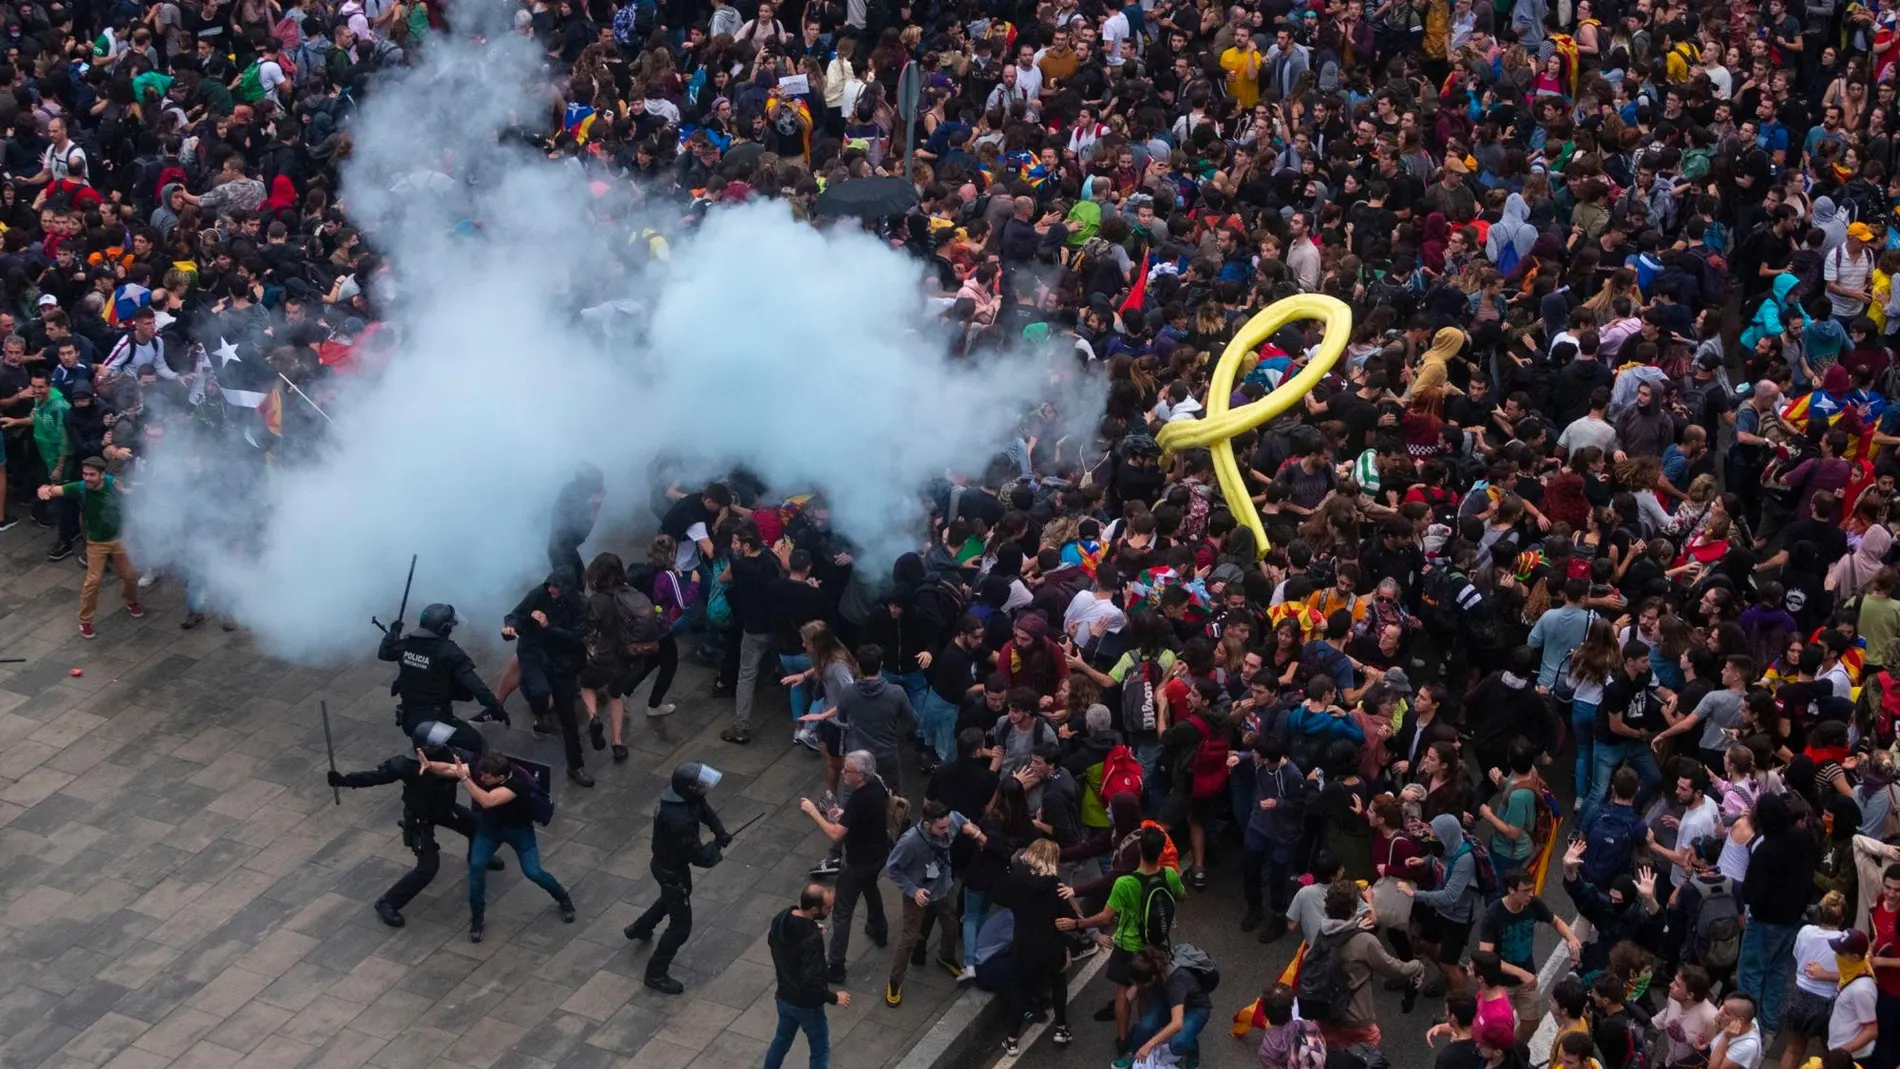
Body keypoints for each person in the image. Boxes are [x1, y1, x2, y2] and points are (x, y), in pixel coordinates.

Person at [328, 720, 506, 928]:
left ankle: (475, 856)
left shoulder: (450, 755)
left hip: (445, 808)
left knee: (478, 828)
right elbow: (376, 777)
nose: (444, 746)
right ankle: (388, 902)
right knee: (427, 868)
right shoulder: (405, 765)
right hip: (419, 818)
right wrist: (345, 780)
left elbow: (475, 763)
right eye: (439, 744)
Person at [625, 761, 733, 994]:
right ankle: (656, 973)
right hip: (670, 871)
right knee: (681, 926)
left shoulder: (682, 799)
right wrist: (716, 847)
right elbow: (699, 857)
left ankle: (640, 927)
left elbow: (704, 810)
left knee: (671, 898)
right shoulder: (679, 821)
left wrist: (720, 830)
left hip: (668, 866)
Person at [456, 751, 574, 945]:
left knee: (533, 872)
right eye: (481, 774)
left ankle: (562, 896)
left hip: (518, 831)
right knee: (477, 867)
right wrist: (429, 763)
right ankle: (477, 916)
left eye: (486, 776)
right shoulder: (487, 770)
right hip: (490, 830)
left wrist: (464, 778)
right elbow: (451, 769)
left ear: (500, 777)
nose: (482, 778)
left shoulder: (517, 783)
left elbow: (487, 800)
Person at [797, 750, 895, 984]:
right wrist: (844, 815)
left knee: (841, 913)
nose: (842, 772)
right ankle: (879, 930)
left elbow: (835, 834)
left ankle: (836, 966)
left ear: (860, 775)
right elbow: (860, 817)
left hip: (858, 861)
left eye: (847, 771)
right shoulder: (877, 784)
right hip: (879, 853)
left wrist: (814, 812)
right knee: (870, 887)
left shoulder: (859, 799)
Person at [505, 570, 595, 787]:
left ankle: (576, 765)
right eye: (550, 587)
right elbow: (517, 613)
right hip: (535, 654)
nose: (551, 591)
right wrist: (511, 627)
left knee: (568, 719)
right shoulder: (540, 594)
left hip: (562, 663)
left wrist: (549, 627)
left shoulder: (581, 604)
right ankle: (540, 713)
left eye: (556, 588)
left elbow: (575, 638)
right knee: (538, 691)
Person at [37, 456, 140, 638]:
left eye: (92, 474)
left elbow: (136, 486)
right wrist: (44, 490)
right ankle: (85, 621)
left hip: (119, 539)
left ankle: (131, 600)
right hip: (96, 542)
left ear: (102, 474)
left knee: (130, 575)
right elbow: (55, 489)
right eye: (85, 474)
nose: (87, 478)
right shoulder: (81, 487)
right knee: (93, 581)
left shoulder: (114, 484)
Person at [380, 602, 503, 753]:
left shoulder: (406, 644)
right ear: (444, 628)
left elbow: (385, 653)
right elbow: (476, 686)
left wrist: (392, 633)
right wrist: (496, 707)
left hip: (409, 718)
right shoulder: (449, 652)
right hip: (434, 723)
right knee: (476, 743)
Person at [995, 838, 1074, 1053]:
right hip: (1051, 945)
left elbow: (1000, 896)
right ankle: (1061, 1028)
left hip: (1024, 945)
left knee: (1020, 990)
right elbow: (1068, 916)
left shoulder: (1017, 881)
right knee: (1058, 984)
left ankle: (1012, 1040)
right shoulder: (1055, 884)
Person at [882, 799, 964, 1007]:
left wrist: (974, 831)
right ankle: (894, 980)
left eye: (947, 825)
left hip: (943, 888)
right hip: (919, 894)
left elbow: (961, 820)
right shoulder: (910, 842)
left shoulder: (951, 821)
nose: (947, 831)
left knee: (952, 927)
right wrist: (913, 890)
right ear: (928, 825)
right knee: (908, 939)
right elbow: (893, 868)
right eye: (942, 827)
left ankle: (945, 956)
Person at [763, 883, 849, 1069]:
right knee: (820, 1050)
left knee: (781, 1041)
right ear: (813, 909)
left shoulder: (782, 919)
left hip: (784, 996)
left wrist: (811, 926)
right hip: (807, 1005)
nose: (830, 910)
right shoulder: (812, 940)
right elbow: (812, 980)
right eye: (827, 908)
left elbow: (773, 940)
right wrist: (835, 998)